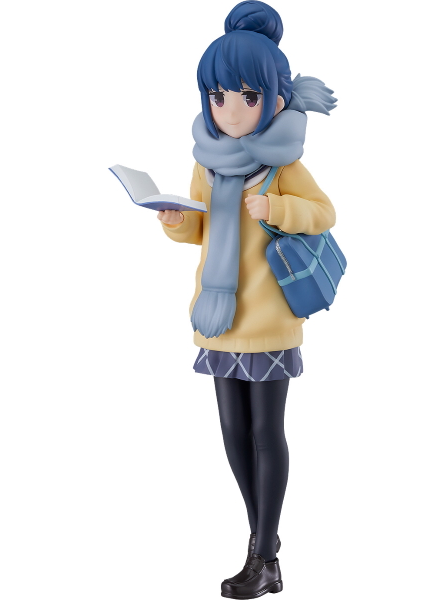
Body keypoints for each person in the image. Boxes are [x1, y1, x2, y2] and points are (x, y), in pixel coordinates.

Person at [157, 2, 338, 597]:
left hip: (268, 318)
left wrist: (278, 207)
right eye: (218, 96)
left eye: (247, 95)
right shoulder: (206, 163)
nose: (230, 110)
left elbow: (324, 213)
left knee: (266, 431)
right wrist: (176, 221)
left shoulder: (282, 164)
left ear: (274, 98)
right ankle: (266, 544)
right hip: (219, 317)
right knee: (232, 432)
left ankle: (262, 553)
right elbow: (201, 230)